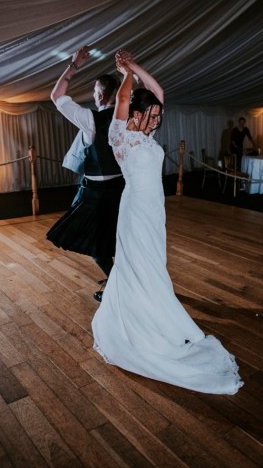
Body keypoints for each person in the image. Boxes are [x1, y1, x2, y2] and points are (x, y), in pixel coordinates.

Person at [91, 50, 242, 394]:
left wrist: (134, 66)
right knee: (141, 266)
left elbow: (159, 92)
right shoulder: (120, 133)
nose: (156, 120)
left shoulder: (146, 136)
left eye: (158, 116)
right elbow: (128, 95)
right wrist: (125, 73)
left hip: (153, 210)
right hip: (134, 212)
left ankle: (151, 308)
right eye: (152, 115)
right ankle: (145, 321)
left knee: (153, 264)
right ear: (135, 111)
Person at [46, 46, 124, 301]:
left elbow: (57, 96)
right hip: (122, 189)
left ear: (101, 95)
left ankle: (116, 286)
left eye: (94, 92)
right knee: (119, 241)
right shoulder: (128, 119)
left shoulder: (93, 120)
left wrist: (74, 65)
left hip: (96, 193)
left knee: (95, 245)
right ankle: (122, 281)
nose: (93, 96)